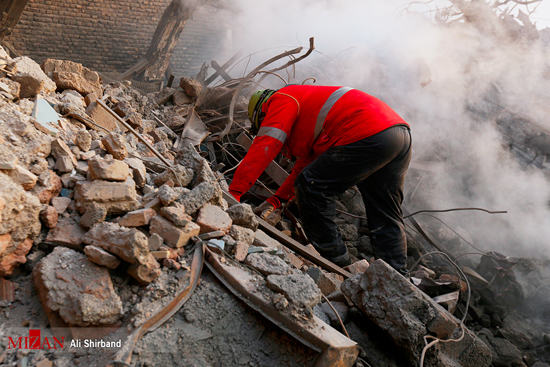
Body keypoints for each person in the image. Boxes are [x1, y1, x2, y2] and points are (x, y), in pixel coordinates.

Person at [228, 85, 411, 271]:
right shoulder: (314, 116)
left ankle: (337, 262)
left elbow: (267, 144)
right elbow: (305, 168)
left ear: (262, 113)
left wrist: (234, 193)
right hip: (398, 136)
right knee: (385, 211)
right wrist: (276, 201)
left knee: (313, 187)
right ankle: (395, 275)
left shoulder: (281, 99)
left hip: (366, 129)